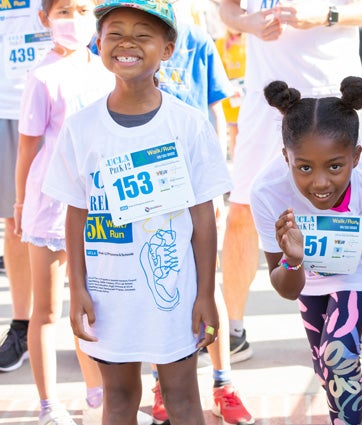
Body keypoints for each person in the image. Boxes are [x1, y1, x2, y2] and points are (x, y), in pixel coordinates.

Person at [41, 0, 232, 422]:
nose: (127, 43)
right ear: (98, 43)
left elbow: (203, 217)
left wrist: (205, 292)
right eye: (115, 33)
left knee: (182, 397)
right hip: (109, 296)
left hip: (174, 297)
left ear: (167, 49)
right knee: (120, 396)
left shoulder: (187, 124)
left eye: (143, 35)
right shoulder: (81, 128)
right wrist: (78, 288)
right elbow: (76, 213)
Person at [218, 0, 362, 363]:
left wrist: (326, 16)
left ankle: (341, 324)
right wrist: (247, 22)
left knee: (348, 209)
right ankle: (233, 329)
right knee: (242, 212)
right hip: (268, 98)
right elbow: (228, 10)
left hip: (334, 98)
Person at [250, 76, 362, 425]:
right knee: (325, 367)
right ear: (285, 157)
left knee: (338, 356)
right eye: (304, 167)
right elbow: (286, 289)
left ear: (356, 156)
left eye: (335, 166)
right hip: (310, 277)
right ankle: (357, 409)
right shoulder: (268, 193)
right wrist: (293, 260)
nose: (320, 183)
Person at [14, 0, 118, 422]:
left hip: (101, 205)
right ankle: (48, 404)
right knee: (47, 310)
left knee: (93, 304)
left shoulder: (105, 70)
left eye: (81, 9)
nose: (73, 20)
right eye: (63, 11)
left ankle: (99, 393)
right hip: (51, 206)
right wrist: (21, 203)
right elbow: (27, 148)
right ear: (45, 19)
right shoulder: (42, 76)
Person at [151, 2, 253, 423]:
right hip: (148, 185)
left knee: (206, 283)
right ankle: (160, 383)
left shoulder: (195, 37)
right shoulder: (123, 31)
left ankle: (222, 382)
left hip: (194, 182)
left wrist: (218, 180)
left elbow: (215, 107)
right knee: (160, 284)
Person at [0, 0, 47, 374]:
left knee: (82, 222)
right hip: (6, 108)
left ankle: (91, 324)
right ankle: (22, 325)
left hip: (64, 106)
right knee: (14, 223)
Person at [215, 28, 246, 159]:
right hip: (232, 97)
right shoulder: (221, 43)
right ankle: (236, 163)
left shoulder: (250, 41)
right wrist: (229, 87)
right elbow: (218, 70)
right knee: (234, 133)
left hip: (249, 95)